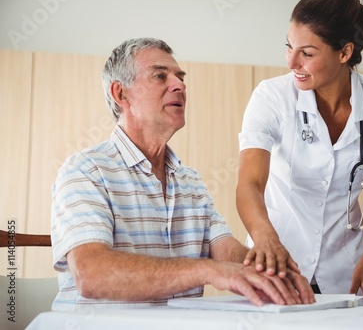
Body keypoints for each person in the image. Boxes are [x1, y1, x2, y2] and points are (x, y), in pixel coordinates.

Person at [50, 38, 315, 311]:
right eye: (160, 76)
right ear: (121, 94)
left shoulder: (191, 182)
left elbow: (227, 252)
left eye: (180, 76)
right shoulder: (85, 170)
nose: (179, 85)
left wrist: (273, 272)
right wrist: (209, 271)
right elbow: (92, 274)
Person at [236, 0, 363, 296]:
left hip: (344, 266)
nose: (291, 62)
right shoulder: (271, 97)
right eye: (289, 46)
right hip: (278, 262)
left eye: (306, 53)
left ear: (344, 52)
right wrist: (264, 237)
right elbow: (249, 183)